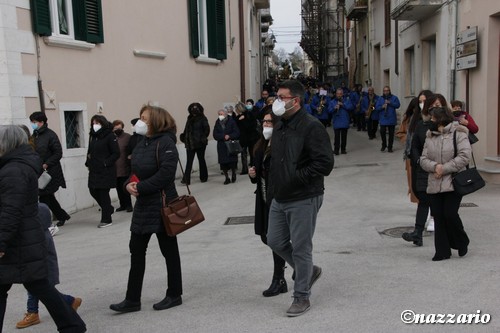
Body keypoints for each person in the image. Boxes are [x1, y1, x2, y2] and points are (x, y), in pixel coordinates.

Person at [0, 125, 86, 332]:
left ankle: (73, 325)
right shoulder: (17, 165)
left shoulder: (13, 170)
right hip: (24, 238)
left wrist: (1, 241)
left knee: (39, 286)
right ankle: (73, 325)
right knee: (39, 285)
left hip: (18, 241)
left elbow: (10, 210)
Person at [267, 80, 334, 317]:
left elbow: (325, 164)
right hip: (280, 195)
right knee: (274, 240)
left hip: (304, 195)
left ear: (295, 101)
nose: (277, 101)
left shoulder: (312, 126)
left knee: (301, 247)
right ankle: (308, 271)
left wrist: (296, 178)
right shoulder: (280, 124)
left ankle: (301, 296)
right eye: (277, 96)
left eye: (282, 97)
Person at [110, 105, 183, 313]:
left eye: (144, 118)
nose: (139, 121)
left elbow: (166, 175)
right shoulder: (142, 142)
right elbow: (135, 170)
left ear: (156, 121)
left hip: (162, 205)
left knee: (169, 252)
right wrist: (128, 185)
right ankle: (132, 299)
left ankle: (174, 294)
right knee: (136, 251)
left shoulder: (166, 143)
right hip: (143, 206)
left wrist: (139, 187)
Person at [16, 203, 82, 329]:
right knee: (41, 288)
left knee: (37, 285)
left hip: (38, 265)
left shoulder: (38, 231)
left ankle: (32, 312)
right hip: (35, 264)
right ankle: (69, 301)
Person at [419, 107, 471, 261]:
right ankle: (442, 251)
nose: (431, 121)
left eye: (433, 118)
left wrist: (444, 169)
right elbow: (423, 159)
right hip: (434, 181)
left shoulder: (459, 133)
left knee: (450, 214)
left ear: (441, 119)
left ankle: (462, 241)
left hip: (454, 181)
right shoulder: (429, 136)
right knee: (438, 216)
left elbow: (464, 156)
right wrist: (435, 167)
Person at [248, 110, 287, 297]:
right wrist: (253, 174)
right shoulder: (260, 145)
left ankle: (279, 279)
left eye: (269, 122)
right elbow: (257, 171)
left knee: (275, 239)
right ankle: (299, 264)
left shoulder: (281, 145)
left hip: (277, 199)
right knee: (266, 237)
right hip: (263, 198)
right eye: (263, 122)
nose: (265, 125)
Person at [29, 112, 72, 227]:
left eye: (34, 122)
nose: (33, 124)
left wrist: (47, 164)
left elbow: (58, 153)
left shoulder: (50, 135)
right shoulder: (34, 135)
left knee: (44, 197)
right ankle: (62, 216)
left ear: (42, 122)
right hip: (39, 171)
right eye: (32, 122)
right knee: (47, 196)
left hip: (50, 172)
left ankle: (45, 222)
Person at [402, 96, 434, 246]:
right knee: (423, 199)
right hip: (421, 167)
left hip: (441, 169)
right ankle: (418, 233)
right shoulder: (421, 124)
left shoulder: (448, 125)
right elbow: (413, 145)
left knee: (439, 203)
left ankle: (453, 235)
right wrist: (417, 161)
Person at [85, 115, 120, 228]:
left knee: (103, 193)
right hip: (94, 169)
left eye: (97, 123)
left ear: (103, 123)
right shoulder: (93, 136)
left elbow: (116, 153)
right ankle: (109, 209)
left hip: (105, 170)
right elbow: (90, 150)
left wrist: (106, 162)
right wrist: (88, 162)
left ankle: (106, 219)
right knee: (92, 190)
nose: (95, 125)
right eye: (93, 123)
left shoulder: (110, 136)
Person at [179, 102, 210, 185]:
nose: (194, 110)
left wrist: (202, 138)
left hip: (200, 143)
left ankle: (204, 177)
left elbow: (207, 130)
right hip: (190, 143)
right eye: (192, 108)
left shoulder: (203, 118)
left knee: (201, 160)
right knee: (189, 161)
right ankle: (186, 179)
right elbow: (186, 129)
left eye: (196, 108)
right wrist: (183, 137)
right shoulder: (189, 118)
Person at [213, 109, 240, 184]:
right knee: (223, 163)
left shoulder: (232, 121)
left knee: (232, 162)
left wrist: (230, 136)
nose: (220, 116)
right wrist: (223, 136)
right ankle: (226, 177)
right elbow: (215, 134)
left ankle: (233, 174)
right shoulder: (217, 122)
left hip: (231, 144)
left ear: (226, 114)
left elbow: (237, 133)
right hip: (221, 145)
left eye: (221, 114)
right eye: (219, 114)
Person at [112, 120, 133, 213]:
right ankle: (122, 205)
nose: (117, 130)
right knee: (118, 188)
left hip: (125, 167)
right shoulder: (112, 138)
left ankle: (129, 205)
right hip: (115, 168)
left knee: (125, 187)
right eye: (115, 128)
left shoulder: (128, 137)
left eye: (119, 128)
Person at [235, 101, 260, 174]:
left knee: (252, 153)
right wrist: (239, 119)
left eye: (236, 109)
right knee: (243, 154)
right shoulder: (238, 117)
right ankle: (245, 169)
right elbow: (236, 124)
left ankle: (253, 167)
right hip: (243, 139)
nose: (236, 111)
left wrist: (243, 120)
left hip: (251, 138)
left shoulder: (249, 115)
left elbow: (251, 126)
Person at [328, 88, 353, 155]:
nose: (339, 95)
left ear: (342, 94)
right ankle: (336, 150)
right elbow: (329, 111)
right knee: (337, 137)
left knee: (344, 137)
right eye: (338, 94)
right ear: (336, 94)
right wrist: (334, 108)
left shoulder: (347, 100)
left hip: (344, 121)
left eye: (340, 94)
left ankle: (343, 149)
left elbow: (350, 107)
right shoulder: (332, 102)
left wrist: (343, 105)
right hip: (336, 121)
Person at [379, 86, 401, 152]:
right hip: (383, 118)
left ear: (389, 91)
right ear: (383, 91)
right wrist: (381, 107)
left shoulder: (394, 98)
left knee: (391, 134)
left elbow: (398, 105)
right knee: (382, 132)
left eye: (387, 90)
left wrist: (390, 103)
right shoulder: (380, 98)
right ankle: (384, 144)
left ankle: (390, 147)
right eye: (384, 91)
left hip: (391, 118)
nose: (386, 92)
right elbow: (374, 107)